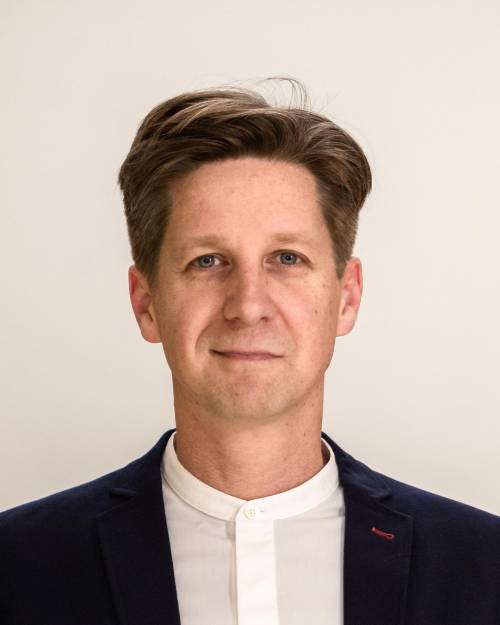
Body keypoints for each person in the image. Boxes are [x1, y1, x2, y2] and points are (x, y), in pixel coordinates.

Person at [1, 78, 499, 625]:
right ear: (147, 303)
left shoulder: (484, 567)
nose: (248, 306)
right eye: (207, 261)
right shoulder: (18, 567)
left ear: (346, 298)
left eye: (286, 258)